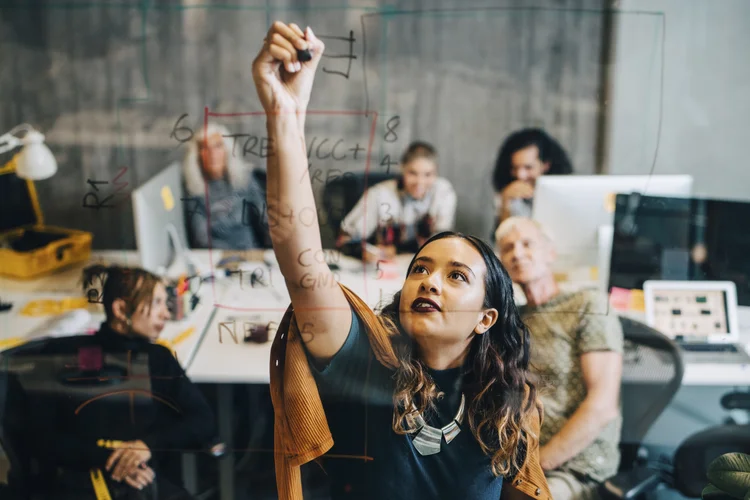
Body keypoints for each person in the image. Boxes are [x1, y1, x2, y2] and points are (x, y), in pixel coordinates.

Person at [252, 22, 551, 500]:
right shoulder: (365, 367)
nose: (430, 281)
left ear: (485, 317)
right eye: (421, 269)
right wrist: (285, 113)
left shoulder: (507, 405)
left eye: (456, 276)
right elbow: (301, 262)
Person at [14, 265, 217, 499]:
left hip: (145, 480)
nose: (166, 314)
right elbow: (41, 438)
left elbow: (203, 421)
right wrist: (116, 461)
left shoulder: (158, 360)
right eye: (156, 303)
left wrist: (146, 446)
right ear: (121, 309)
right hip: (81, 481)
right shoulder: (70, 358)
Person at [496, 217, 623, 500]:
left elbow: (603, 406)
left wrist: (538, 465)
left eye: (527, 244)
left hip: (574, 463)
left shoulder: (587, 306)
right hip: (514, 459)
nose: (517, 253)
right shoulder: (509, 319)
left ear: (550, 253)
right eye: (507, 248)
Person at [336, 141, 457, 262]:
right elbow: (344, 239)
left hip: (419, 265)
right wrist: (363, 252)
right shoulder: (379, 194)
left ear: (436, 173)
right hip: (380, 268)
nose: (420, 182)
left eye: (428, 174)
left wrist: (397, 250)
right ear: (402, 169)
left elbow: (441, 243)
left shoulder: (443, 192)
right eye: (413, 173)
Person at [182, 122, 270, 249]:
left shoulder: (245, 180)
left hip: (252, 254)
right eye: (205, 148)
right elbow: (200, 239)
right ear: (197, 156)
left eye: (218, 146)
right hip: (216, 258)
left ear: (227, 150)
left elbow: (265, 221)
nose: (212, 153)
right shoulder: (195, 190)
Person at [492, 128, 573, 224]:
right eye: (514, 168)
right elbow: (500, 237)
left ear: (545, 165)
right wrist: (505, 204)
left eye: (528, 167)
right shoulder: (507, 194)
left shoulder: (565, 195)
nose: (520, 175)